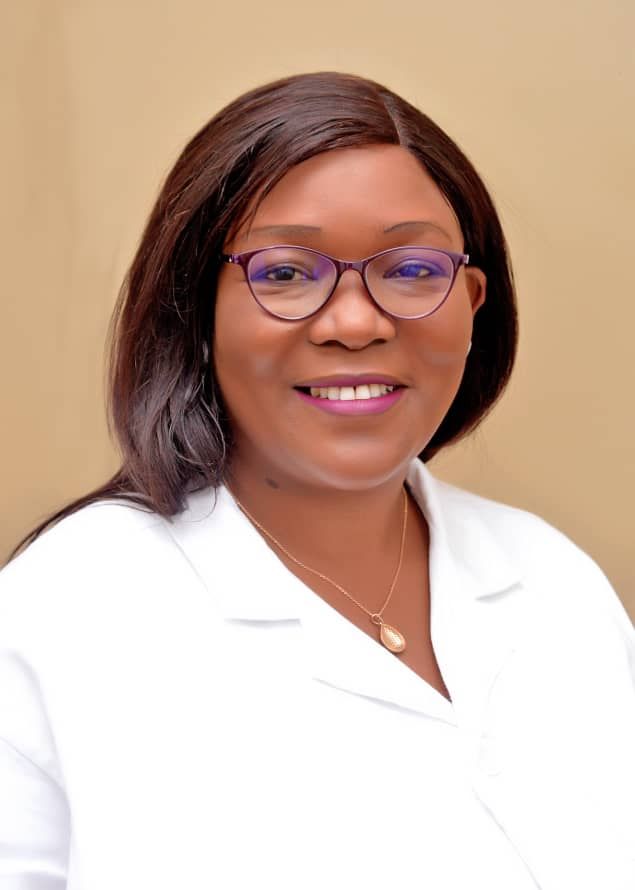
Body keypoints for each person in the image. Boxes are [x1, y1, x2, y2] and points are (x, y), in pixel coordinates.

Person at [1, 71, 633, 890]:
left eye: (412, 268)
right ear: (196, 309)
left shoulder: (553, 581)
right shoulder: (71, 604)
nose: (355, 322)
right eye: (285, 273)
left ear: (473, 303)